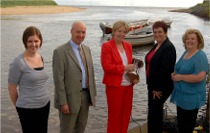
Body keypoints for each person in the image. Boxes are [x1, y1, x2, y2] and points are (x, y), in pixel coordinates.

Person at [52, 21, 96, 133]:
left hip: (86, 97)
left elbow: (90, 73)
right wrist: (63, 102)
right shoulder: (60, 52)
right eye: (78, 32)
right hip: (69, 99)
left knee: (81, 128)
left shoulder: (87, 49)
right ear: (71, 32)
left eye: (83, 32)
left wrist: (92, 95)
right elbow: (58, 80)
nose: (81, 35)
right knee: (67, 130)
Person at [8, 26, 50, 133]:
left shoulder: (41, 58)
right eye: (30, 41)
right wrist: (19, 107)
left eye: (36, 41)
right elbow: (12, 89)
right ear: (25, 42)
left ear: (40, 41)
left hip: (45, 105)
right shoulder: (18, 62)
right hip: (27, 109)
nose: (33, 44)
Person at [101, 20, 139, 133]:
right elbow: (107, 67)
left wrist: (134, 77)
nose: (122, 34)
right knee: (114, 117)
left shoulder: (128, 46)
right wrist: (125, 67)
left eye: (124, 32)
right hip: (114, 87)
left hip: (128, 86)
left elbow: (131, 66)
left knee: (126, 116)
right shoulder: (106, 46)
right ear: (114, 31)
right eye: (119, 31)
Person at [170, 29, 209, 133]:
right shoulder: (186, 53)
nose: (189, 41)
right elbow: (180, 68)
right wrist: (174, 74)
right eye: (187, 38)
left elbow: (200, 77)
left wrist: (180, 77)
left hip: (191, 97)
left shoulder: (200, 56)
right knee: (181, 125)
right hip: (181, 96)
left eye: (192, 39)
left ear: (198, 41)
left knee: (187, 126)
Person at [145, 21, 176, 133]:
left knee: (155, 115)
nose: (157, 34)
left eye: (160, 32)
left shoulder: (168, 47)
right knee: (153, 113)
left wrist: (156, 88)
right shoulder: (157, 45)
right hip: (153, 85)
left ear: (166, 33)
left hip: (160, 87)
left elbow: (165, 70)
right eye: (155, 32)